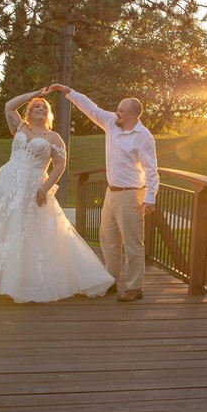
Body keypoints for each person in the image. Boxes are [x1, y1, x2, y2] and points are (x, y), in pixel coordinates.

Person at [0, 88, 114, 303]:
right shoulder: (20, 127)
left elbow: (60, 165)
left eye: (44, 107)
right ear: (29, 112)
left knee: (33, 230)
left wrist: (45, 188)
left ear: (48, 114)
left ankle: (35, 280)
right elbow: (9, 106)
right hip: (9, 185)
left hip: (33, 185)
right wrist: (34, 94)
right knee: (5, 226)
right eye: (36, 107)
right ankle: (1, 277)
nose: (41, 109)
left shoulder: (54, 137)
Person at [47, 84, 159, 302]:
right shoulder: (111, 123)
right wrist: (68, 92)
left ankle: (135, 287)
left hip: (131, 194)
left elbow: (151, 169)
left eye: (121, 110)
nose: (116, 113)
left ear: (133, 115)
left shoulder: (144, 136)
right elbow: (92, 109)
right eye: (117, 109)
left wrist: (150, 197)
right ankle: (111, 281)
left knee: (132, 244)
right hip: (111, 192)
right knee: (108, 240)